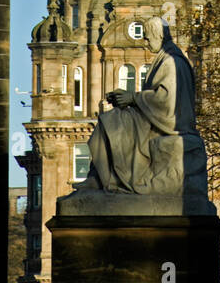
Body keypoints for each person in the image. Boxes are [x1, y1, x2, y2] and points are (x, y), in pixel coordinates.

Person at [73, 16, 204, 195]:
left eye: (148, 38)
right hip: (155, 118)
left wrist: (133, 98)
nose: (145, 43)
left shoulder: (173, 62)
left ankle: (104, 178)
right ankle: (99, 177)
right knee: (112, 119)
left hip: (169, 123)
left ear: (159, 36)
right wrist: (126, 99)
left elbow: (166, 100)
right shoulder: (165, 58)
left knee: (111, 121)